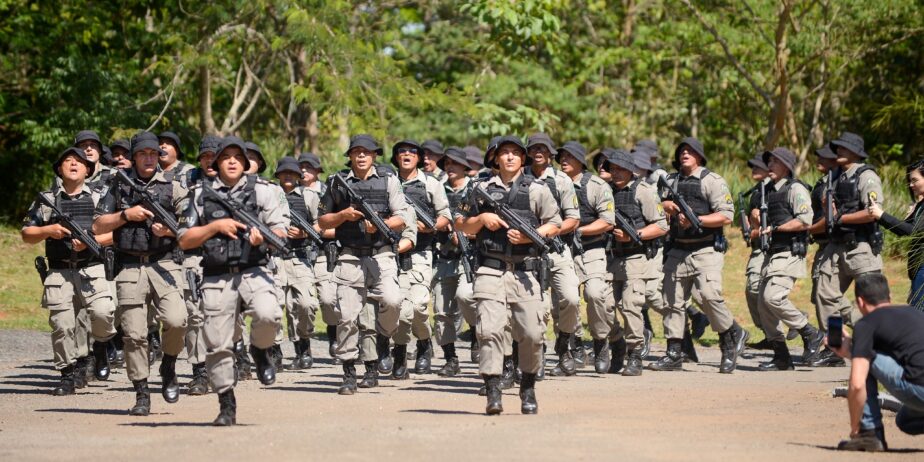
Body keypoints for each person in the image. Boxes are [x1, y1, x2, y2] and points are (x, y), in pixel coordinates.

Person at [177, 136, 287, 426]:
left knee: (269, 314)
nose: (233, 161)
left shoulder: (263, 191)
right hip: (217, 275)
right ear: (216, 162)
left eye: (239, 156)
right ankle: (226, 402)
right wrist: (214, 226)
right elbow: (185, 239)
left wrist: (263, 236)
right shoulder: (200, 194)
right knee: (217, 344)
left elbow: (281, 231)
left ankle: (260, 350)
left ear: (246, 162)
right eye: (227, 156)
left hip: (255, 269)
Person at [457, 135, 561, 415]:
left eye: (516, 153)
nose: (511, 157)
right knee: (489, 331)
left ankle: (527, 387)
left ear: (523, 159)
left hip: (525, 271)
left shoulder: (537, 190)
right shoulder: (479, 189)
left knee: (531, 333)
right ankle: (493, 391)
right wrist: (481, 220)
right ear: (495, 158)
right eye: (505, 153)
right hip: (490, 269)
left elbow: (556, 223)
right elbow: (460, 224)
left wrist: (531, 235)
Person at [93, 131, 189, 416]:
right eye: (143, 154)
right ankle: (142, 393)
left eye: (153, 154)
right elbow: (98, 225)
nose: (149, 158)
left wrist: (170, 230)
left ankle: (169, 363)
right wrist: (125, 216)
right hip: (130, 266)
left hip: (165, 263)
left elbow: (194, 226)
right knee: (134, 335)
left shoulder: (173, 187)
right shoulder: (117, 186)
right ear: (134, 157)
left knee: (178, 320)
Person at [21, 147, 118, 395]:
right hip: (59, 271)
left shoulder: (101, 197)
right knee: (62, 325)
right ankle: (67, 374)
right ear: (59, 169)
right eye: (67, 161)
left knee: (103, 315)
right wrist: (48, 230)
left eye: (79, 162)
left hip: (92, 268)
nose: (73, 164)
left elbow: (117, 235)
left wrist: (91, 241)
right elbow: (27, 234)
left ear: (88, 169)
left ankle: (100, 346)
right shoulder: (47, 199)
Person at [318, 134, 408, 395]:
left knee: (392, 301)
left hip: (381, 254)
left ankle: (383, 338)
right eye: (356, 152)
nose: (361, 156)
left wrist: (381, 223)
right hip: (349, 256)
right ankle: (348, 372)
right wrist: (343, 215)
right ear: (349, 156)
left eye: (366, 152)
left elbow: (401, 217)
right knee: (347, 316)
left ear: (374, 156)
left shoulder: (389, 180)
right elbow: (322, 221)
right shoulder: (337, 182)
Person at [649, 137, 748, 373]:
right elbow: (653, 205)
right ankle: (674, 352)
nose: (685, 153)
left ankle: (728, 340)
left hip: (705, 248)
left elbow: (725, 215)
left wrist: (697, 218)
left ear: (700, 156)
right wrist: (667, 207)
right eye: (682, 150)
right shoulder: (669, 180)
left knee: (709, 296)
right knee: (672, 301)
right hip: (677, 249)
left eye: (690, 151)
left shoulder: (712, 181)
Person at [828, 273, 924, 451]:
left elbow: (857, 384)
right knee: (905, 421)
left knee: (865, 359)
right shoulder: (915, 313)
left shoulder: (866, 324)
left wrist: (855, 429)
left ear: (860, 302)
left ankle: (869, 434)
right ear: (890, 297)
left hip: (920, 389)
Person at [753, 148, 824, 371]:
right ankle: (781, 356)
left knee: (773, 297)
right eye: (769, 162)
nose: (770, 165)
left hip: (790, 253)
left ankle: (810, 333)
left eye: (775, 162)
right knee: (762, 305)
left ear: (787, 166)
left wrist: (775, 228)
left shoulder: (795, 188)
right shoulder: (767, 191)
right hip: (772, 254)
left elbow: (805, 220)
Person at [601, 149, 668, 376]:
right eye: (613, 168)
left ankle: (635, 353)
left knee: (630, 305)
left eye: (621, 169)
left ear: (631, 170)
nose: (617, 173)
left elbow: (661, 225)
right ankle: (618, 342)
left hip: (637, 256)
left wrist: (635, 235)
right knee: (603, 305)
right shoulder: (606, 192)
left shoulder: (644, 191)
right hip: (612, 258)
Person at [814, 132, 884, 342]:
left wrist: (840, 218)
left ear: (856, 152)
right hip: (835, 247)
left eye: (844, 148)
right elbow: (829, 213)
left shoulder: (866, 176)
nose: (839, 151)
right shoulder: (834, 177)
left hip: (861, 247)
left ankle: (880, 341)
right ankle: (836, 344)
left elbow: (873, 211)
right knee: (825, 295)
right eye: (838, 148)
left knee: (871, 300)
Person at [389, 139, 451, 377]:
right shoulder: (388, 182)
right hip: (391, 252)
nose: (406, 155)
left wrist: (431, 227)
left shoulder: (431, 184)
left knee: (418, 307)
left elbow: (445, 216)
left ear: (419, 157)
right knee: (398, 308)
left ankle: (424, 343)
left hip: (421, 253)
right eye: (401, 152)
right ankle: (400, 353)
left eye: (412, 152)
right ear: (396, 157)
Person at [556, 142, 619, 374]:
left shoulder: (596, 185)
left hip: (591, 249)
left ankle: (601, 342)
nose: (564, 160)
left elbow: (608, 221)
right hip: (563, 250)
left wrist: (579, 230)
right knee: (565, 300)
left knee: (594, 294)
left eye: (569, 156)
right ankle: (572, 347)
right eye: (561, 156)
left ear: (581, 161)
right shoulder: (553, 183)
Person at [526, 132, 583, 376]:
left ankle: (564, 345)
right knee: (539, 308)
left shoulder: (562, 181)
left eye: (544, 148)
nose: (539, 152)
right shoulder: (519, 180)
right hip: (527, 253)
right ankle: (536, 355)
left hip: (558, 249)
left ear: (551, 154)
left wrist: (548, 231)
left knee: (570, 299)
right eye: (534, 148)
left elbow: (574, 219)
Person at [432, 147, 479, 376]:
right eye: (447, 163)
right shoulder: (437, 189)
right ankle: (450, 358)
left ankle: (476, 333)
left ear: (465, 167)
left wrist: (467, 234)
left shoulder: (476, 190)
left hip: (470, 256)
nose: (450, 167)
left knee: (466, 296)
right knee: (441, 311)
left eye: (455, 163)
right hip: (444, 255)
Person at [274, 156, 321, 370]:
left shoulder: (308, 196)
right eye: (284, 173)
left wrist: (304, 233)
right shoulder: (270, 195)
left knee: (305, 305)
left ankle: (304, 347)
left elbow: (320, 225)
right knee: (275, 308)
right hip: (274, 259)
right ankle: (274, 351)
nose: (288, 176)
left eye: (292, 173)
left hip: (300, 257)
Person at [807, 145, 851, 367]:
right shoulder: (825, 181)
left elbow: (830, 217)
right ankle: (835, 345)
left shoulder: (835, 182)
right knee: (824, 296)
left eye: (824, 155)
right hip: (825, 246)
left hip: (833, 245)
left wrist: (807, 229)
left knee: (826, 297)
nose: (818, 157)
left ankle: (835, 346)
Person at [298, 152, 340, 361]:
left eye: (309, 167)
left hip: (324, 253)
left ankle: (334, 336)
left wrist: (314, 231)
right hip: (299, 254)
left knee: (328, 298)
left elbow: (338, 227)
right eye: (301, 167)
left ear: (317, 171)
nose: (304, 170)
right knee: (302, 303)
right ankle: (303, 346)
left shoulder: (328, 191)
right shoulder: (290, 193)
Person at [869, 160, 924, 310]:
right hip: (917, 268)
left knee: (918, 313)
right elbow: (904, 230)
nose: (911, 185)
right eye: (909, 181)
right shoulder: (920, 205)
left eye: (915, 180)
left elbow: (913, 232)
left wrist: (882, 215)